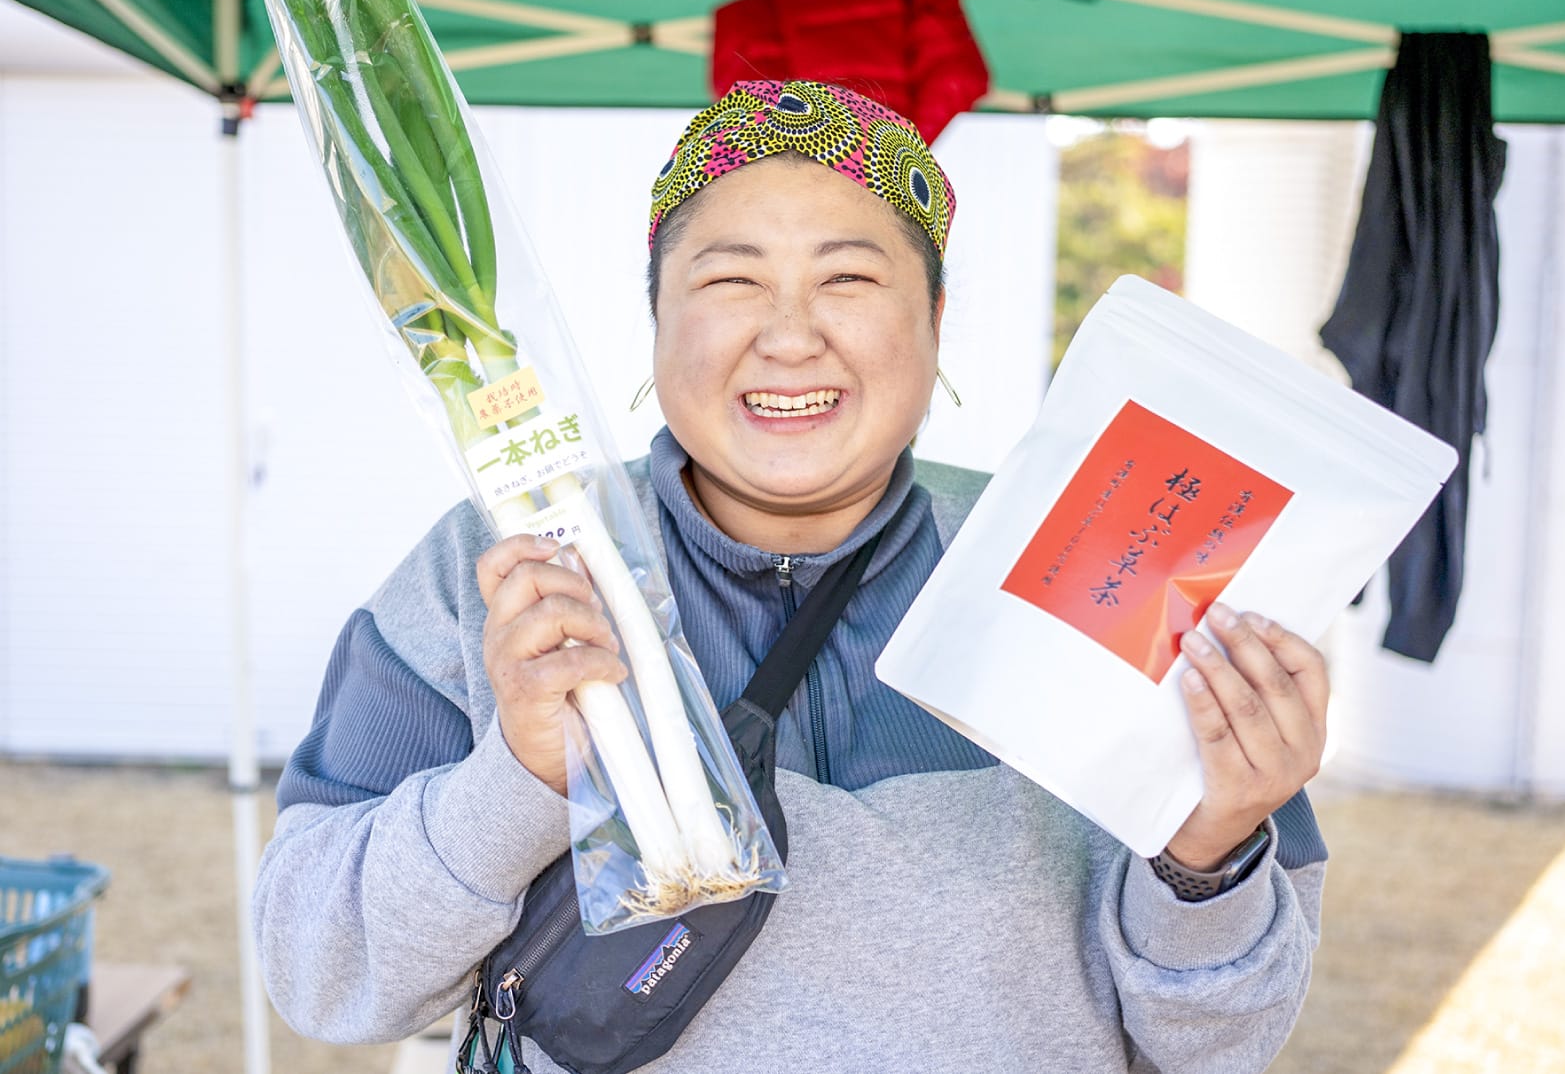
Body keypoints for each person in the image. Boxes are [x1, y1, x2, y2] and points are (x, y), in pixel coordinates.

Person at [254, 79, 1328, 1073]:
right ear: (659, 320)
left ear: (935, 321)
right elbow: (319, 974)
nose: (789, 335)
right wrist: (524, 777)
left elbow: (1220, 1042)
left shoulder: (1084, 560)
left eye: (848, 279)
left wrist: (1207, 855)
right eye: (731, 280)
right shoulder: (504, 568)